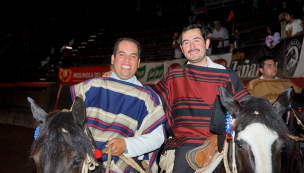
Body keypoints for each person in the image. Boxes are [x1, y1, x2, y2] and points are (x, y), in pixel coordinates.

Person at [153, 24, 250, 173]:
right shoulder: (173, 77)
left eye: (196, 40)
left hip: (224, 143)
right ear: (182, 48)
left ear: (207, 43)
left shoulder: (226, 74)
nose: (192, 46)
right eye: (186, 43)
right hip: (185, 144)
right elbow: (149, 101)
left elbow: (247, 105)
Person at [70, 38, 166, 172]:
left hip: (124, 165)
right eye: (122, 54)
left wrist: (126, 145)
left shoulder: (149, 98)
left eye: (133, 56)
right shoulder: (89, 87)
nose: (127, 60)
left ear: (138, 63)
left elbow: (158, 138)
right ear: (113, 59)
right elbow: (71, 122)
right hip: (83, 162)